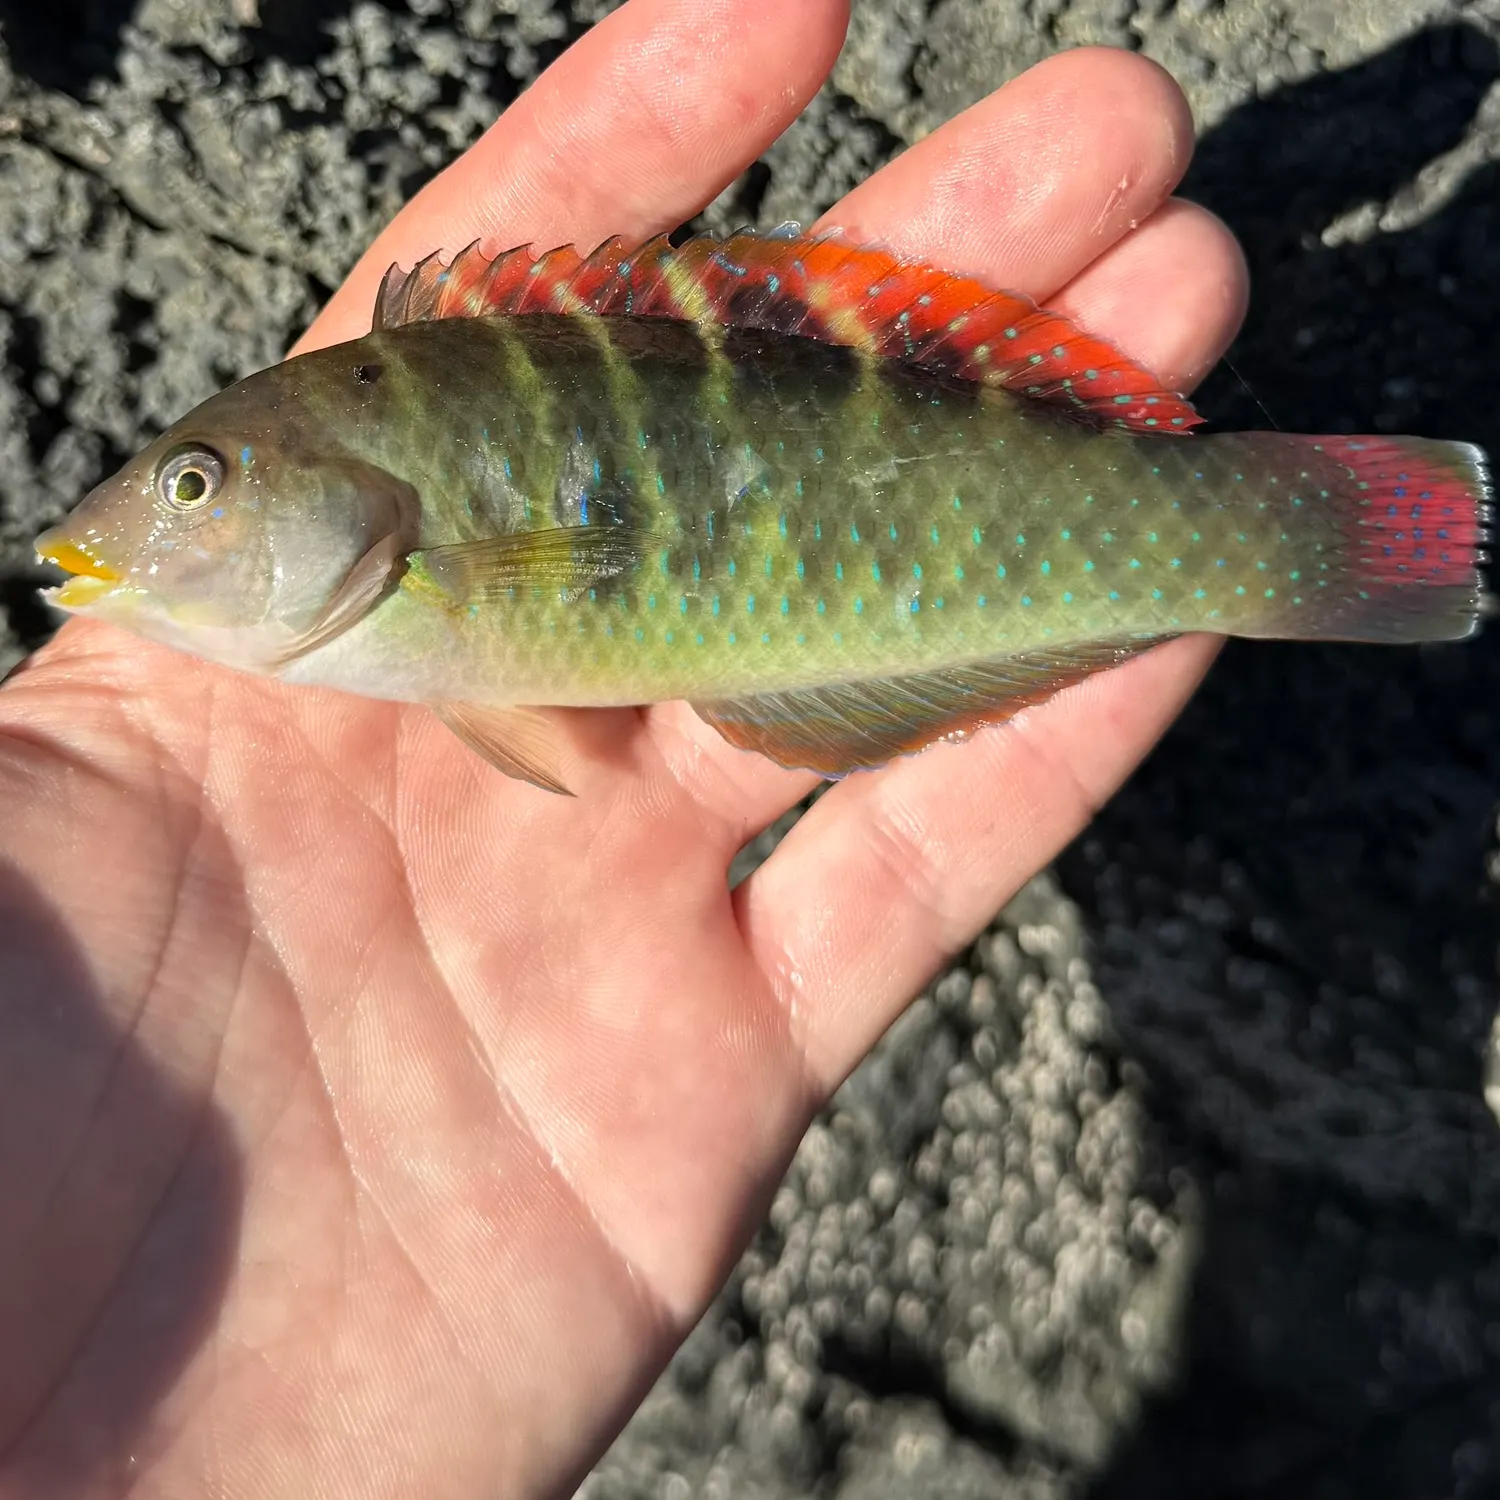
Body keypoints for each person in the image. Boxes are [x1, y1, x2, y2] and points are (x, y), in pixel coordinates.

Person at [0, 0, 1247, 1492]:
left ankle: (1354, 538)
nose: (141, 526)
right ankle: (1353, 538)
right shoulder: (369, 591)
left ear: (344, 499)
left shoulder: (405, 558)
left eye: (194, 485)